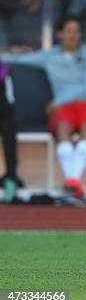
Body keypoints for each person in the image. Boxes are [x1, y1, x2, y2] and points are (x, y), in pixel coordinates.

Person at [1, 16, 86, 200]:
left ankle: (72, 180)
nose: (73, 35)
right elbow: (19, 59)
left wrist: (58, 101)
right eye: (69, 31)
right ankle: (74, 182)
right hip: (63, 107)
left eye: (77, 31)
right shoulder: (49, 56)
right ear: (59, 34)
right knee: (62, 128)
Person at [0, 61, 20, 202]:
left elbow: (9, 99)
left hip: (4, 112)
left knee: (9, 132)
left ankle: (11, 178)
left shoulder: (3, 67)